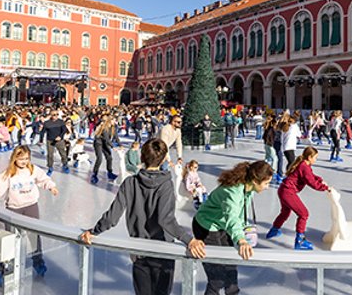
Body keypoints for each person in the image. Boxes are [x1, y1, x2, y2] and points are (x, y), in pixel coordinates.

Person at [80, 139, 206, 295]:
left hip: (139, 250)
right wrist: (189, 239)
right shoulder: (166, 185)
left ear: (142, 157)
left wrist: (94, 231)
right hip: (163, 251)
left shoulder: (129, 183)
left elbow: (112, 217)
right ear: (164, 158)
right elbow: (166, 220)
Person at [0, 145, 59, 283]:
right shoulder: (9, 173)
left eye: (26, 159)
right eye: (21, 159)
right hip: (14, 209)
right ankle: (4, 266)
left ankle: (37, 260)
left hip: (31, 207)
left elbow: (43, 179)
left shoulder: (33, 169)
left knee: (34, 236)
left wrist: (51, 186)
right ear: (14, 158)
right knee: (10, 237)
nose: (24, 162)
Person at [192, 161, 273, 295]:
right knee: (216, 278)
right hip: (206, 227)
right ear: (254, 181)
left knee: (230, 270)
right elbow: (232, 218)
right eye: (266, 183)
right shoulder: (232, 192)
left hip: (223, 226)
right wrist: (240, 239)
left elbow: (239, 214)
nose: (267, 187)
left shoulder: (248, 188)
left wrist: (244, 229)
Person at [267, 146, 329, 250]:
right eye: (315, 157)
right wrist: (325, 188)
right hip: (288, 192)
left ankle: (274, 230)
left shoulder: (304, 165)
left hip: (283, 189)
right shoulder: (304, 167)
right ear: (309, 157)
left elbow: (311, 176)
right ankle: (299, 240)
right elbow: (312, 183)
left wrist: (320, 179)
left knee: (285, 212)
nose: (316, 160)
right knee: (304, 214)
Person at [41, 111, 69, 176]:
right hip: (50, 140)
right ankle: (50, 167)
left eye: (57, 114)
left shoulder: (61, 122)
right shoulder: (47, 123)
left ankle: (65, 165)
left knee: (63, 153)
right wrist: (41, 140)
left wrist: (60, 136)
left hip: (59, 140)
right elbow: (43, 132)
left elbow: (64, 130)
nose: (55, 116)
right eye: (54, 115)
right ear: (50, 115)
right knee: (50, 155)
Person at [91, 118, 118, 184]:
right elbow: (107, 139)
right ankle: (94, 174)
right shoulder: (104, 128)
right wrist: (113, 146)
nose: (115, 121)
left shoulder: (112, 128)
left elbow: (116, 137)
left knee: (109, 157)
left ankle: (110, 172)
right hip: (98, 143)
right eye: (113, 120)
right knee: (99, 158)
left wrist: (120, 144)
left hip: (104, 144)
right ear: (110, 121)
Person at [279, 115, 301, 182]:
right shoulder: (294, 126)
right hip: (290, 146)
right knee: (292, 162)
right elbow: (299, 135)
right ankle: (288, 176)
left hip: (285, 147)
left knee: (291, 162)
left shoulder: (285, 126)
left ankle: (288, 175)